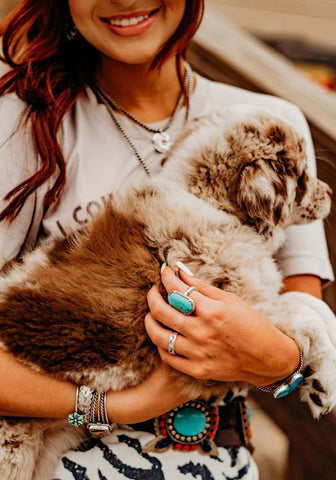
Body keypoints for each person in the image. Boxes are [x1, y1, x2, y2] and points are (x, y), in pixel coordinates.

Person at [0, 1, 334, 479]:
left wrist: (272, 356)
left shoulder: (270, 124)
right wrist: (119, 405)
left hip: (221, 461)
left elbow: (306, 330)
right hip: (66, 457)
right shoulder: (21, 123)